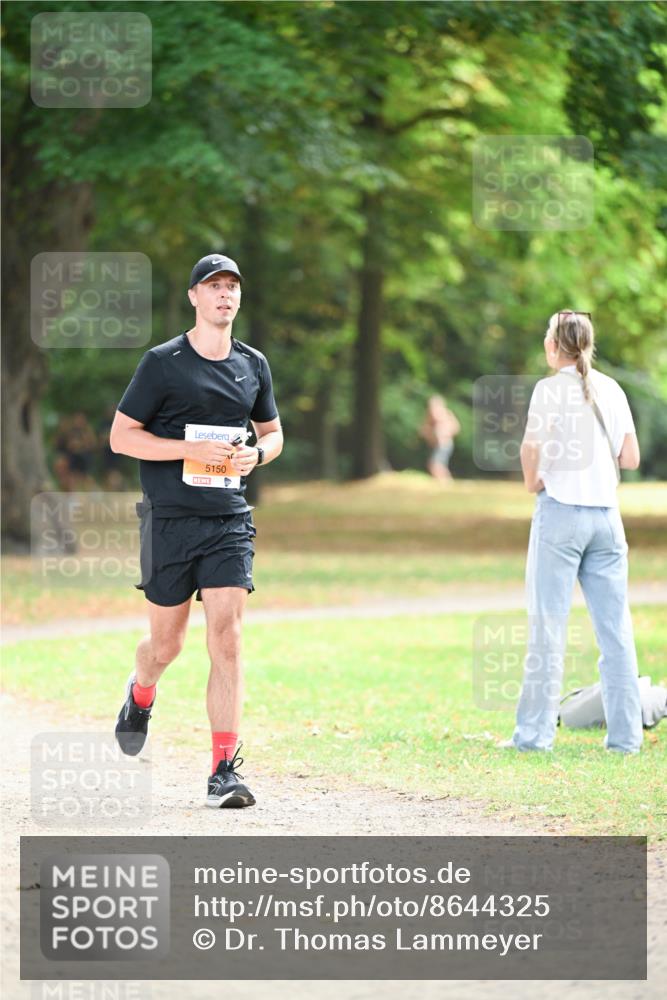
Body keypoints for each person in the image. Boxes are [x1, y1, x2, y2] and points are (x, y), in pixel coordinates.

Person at [110, 253, 283, 807]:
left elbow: (273, 432)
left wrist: (258, 454)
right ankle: (141, 693)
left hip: (228, 518)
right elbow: (121, 437)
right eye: (213, 286)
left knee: (227, 638)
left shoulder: (253, 364)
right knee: (166, 644)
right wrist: (188, 450)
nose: (224, 294)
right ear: (194, 296)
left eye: (232, 286)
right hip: (169, 520)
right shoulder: (163, 363)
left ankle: (222, 771)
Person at [502, 310, 642, 754]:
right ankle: (625, 739)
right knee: (616, 631)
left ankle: (533, 737)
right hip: (607, 520)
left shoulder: (548, 390)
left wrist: (533, 481)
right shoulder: (612, 388)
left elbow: (530, 446)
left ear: (552, 345)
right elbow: (631, 458)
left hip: (560, 513)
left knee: (548, 628)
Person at [420, 395, 460, 480]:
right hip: (438, 445)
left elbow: (456, 428)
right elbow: (424, 429)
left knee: (436, 465)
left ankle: (445, 481)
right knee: (436, 465)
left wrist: (446, 433)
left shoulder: (446, 414)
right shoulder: (431, 417)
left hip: (444, 444)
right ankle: (444, 481)